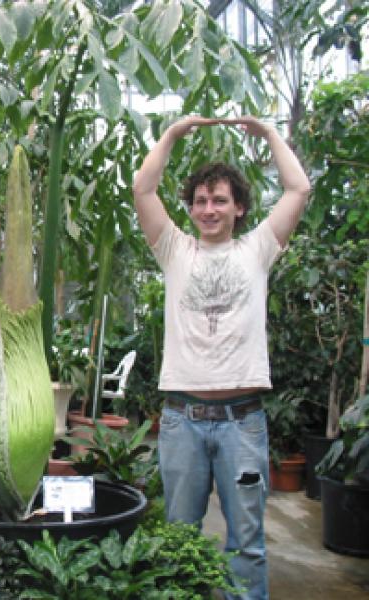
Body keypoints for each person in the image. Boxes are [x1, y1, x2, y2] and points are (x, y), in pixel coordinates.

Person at [132, 116, 310, 599]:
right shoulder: (174, 250)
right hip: (181, 419)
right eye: (200, 201)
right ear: (190, 208)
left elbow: (297, 189)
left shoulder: (258, 249)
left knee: (247, 542)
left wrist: (272, 135)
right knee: (179, 535)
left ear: (239, 208)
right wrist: (170, 136)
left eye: (220, 201)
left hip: (242, 422)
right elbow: (143, 190)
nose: (209, 209)